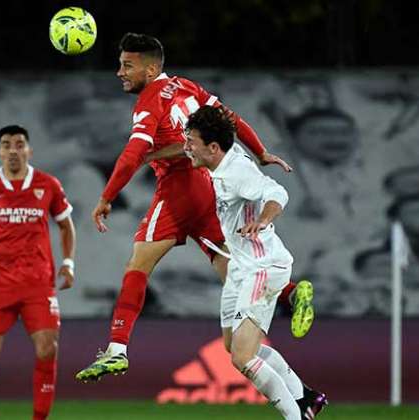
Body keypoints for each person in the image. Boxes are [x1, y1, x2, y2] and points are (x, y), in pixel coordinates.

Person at [76, 33, 309, 382]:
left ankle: (116, 350)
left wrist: (107, 196)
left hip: (178, 189)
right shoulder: (185, 85)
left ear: (151, 68)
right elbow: (229, 118)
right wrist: (260, 152)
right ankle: (290, 294)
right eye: (120, 64)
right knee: (233, 270)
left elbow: (133, 153)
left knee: (138, 264)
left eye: (127, 65)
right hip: (208, 187)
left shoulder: (148, 103)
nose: (119, 72)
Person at [181, 105, 327, 419]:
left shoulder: (237, 172)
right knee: (233, 345)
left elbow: (277, 192)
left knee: (243, 358)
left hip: (262, 266)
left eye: (191, 141)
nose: (186, 147)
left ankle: (297, 415)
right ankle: (306, 397)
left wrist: (262, 219)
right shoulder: (218, 166)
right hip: (240, 267)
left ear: (213, 147)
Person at [0, 125, 76, 420]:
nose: (13, 150)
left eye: (19, 144)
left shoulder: (48, 185)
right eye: (7, 144)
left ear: (29, 150)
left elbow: (65, 225)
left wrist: (68, 263)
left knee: (48, 348)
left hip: (37, 283)